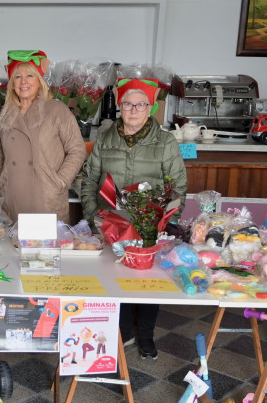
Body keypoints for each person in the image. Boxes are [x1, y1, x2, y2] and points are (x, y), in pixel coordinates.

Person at [80, 77, 187, 361]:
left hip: (148, 227)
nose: (134, 110)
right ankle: (123, 332)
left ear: (150, 107)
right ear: (120, 106)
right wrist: (94, 218)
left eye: (141, 104)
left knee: (147, 282)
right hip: (109, 225)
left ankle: (146, 336)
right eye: (128, 103)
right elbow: (90, 180)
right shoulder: (105, 138)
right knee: (115, 278)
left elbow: (177, 188)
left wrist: (163, 224)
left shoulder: (165, 142)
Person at [0, 50, 86, 223]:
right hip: (12, 198)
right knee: (12, 248)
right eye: (18, 77)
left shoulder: (56, 110)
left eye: (30, 75)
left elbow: (77, 150)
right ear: (12, 83)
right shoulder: (6, 114)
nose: (24, 82)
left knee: (45, 249)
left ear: (39, 81)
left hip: (45, 199)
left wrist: (59, 183)